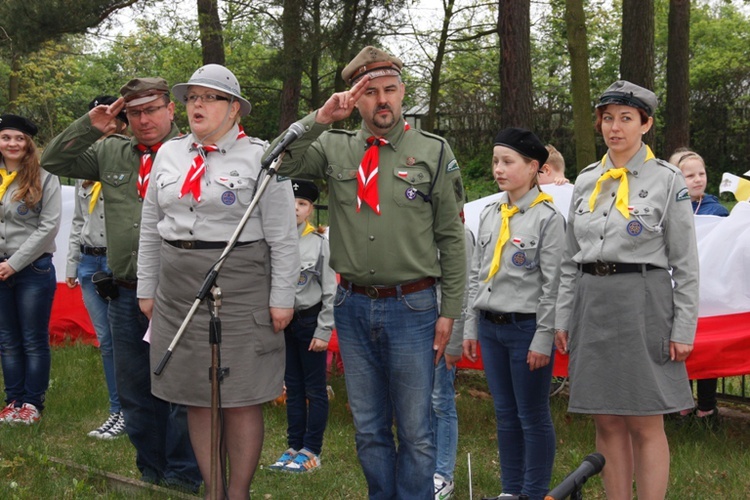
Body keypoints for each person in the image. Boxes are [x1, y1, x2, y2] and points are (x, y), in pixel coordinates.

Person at [268, 46, 467, 499]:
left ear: (402, 94)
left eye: (390, 90)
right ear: (354, 100)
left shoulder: (433, 151)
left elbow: (453, 240)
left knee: (416, 430)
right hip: (353, 305)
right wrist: (320, 118)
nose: (382, 100)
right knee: (370, 428)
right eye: (370, 92)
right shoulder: (333, 146)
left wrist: (450, 310)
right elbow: (277, 159)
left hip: (413, 306)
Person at [137, 64, 299, 498]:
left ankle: (239, 492)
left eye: (209, 98)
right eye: (192, 98)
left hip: (242, 281)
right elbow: (151, 225)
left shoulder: (264, 158)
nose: (197, 105)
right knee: (196, 393)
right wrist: (146, 288)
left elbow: (284, 236)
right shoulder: (168, 155)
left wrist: (283, 297)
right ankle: (214, 489)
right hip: (177, 283)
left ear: (234, 110)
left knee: (241, 393)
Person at [41, 78, 202, 491]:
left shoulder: (196, 153)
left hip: (178, 291)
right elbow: (55, 160)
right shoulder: (111, 151)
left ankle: (183, 475)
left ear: (171, 109)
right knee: (134, 387)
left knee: (180, 386)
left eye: (152, 109)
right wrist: (91, 124)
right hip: (126, 289)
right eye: (134, 112)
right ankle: (151, 470)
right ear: (124, 117)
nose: (144, 119)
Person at [554, 81, 699, 500]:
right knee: (607, 420)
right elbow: (569, 258)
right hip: (592, 301)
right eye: (608, 118)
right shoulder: (585, 180)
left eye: (626, 118)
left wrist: (683, 327)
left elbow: (685, 262)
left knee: (644, 420)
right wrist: (563, 317)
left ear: (646, 124)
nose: (614, 127)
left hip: (643, 301)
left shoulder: (668, 180)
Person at [463, 128, 565, 500]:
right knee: (505, 414)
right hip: (491, 328)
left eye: (508, 162)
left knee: (532, 415)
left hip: (526, 329)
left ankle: (534, 492)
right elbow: (477, 275)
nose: (498, 169)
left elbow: (554, 284)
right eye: (495, 161)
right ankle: (511, 491)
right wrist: (470, 329)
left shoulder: (548, 219)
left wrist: (543, 336)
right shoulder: (490, 213)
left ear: (534, 167)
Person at [65, 95, 128, 440]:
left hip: (118, 261)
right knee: (106, 340)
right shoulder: (86, 169)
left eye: (112, 123)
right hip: (90, 260)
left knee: (127, 339)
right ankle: (116, 409)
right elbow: (78, 219)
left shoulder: (128, 163)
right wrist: (73, 262)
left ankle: (133, 410)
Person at [269, 179, 336, 473]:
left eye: (302, 204)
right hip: (284, 324)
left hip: (310, 322)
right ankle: (293, 446)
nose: (295, 208)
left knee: (315, 389)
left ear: (310, 210)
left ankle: (312, 450)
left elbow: (330, 291)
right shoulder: (272, 241)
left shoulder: (319, 244)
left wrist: (323, 331)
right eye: (291, 202)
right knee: (292, 388)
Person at [0, 114, 61, 425]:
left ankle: (32, 403)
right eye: (6, 137)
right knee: (7, 339)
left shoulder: (45, 177)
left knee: (32, 339)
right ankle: (13, 400)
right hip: (0, 269)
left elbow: (48, 227)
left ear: (28, 144)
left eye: (19, 138)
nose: (12, 143)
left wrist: (14, 264)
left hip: (32, 270)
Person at [672, 149, 728, 429]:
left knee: (706, 347)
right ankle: (681, 406)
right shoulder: (668, 207)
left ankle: (707, 408)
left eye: (701, 173)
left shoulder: (717, 211)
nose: (697, 180)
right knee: (677, 347)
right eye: (689, 175)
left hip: (707, 295)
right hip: (675, 293)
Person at [432, 224, 475, 500]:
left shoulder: (459, 232)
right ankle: (418, 467)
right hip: (411, 322)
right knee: (414, 402)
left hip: (442, 326)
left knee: (439, 400)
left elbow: (464, 285)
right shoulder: (414, 222)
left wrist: (455, 340)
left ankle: (442, 474)